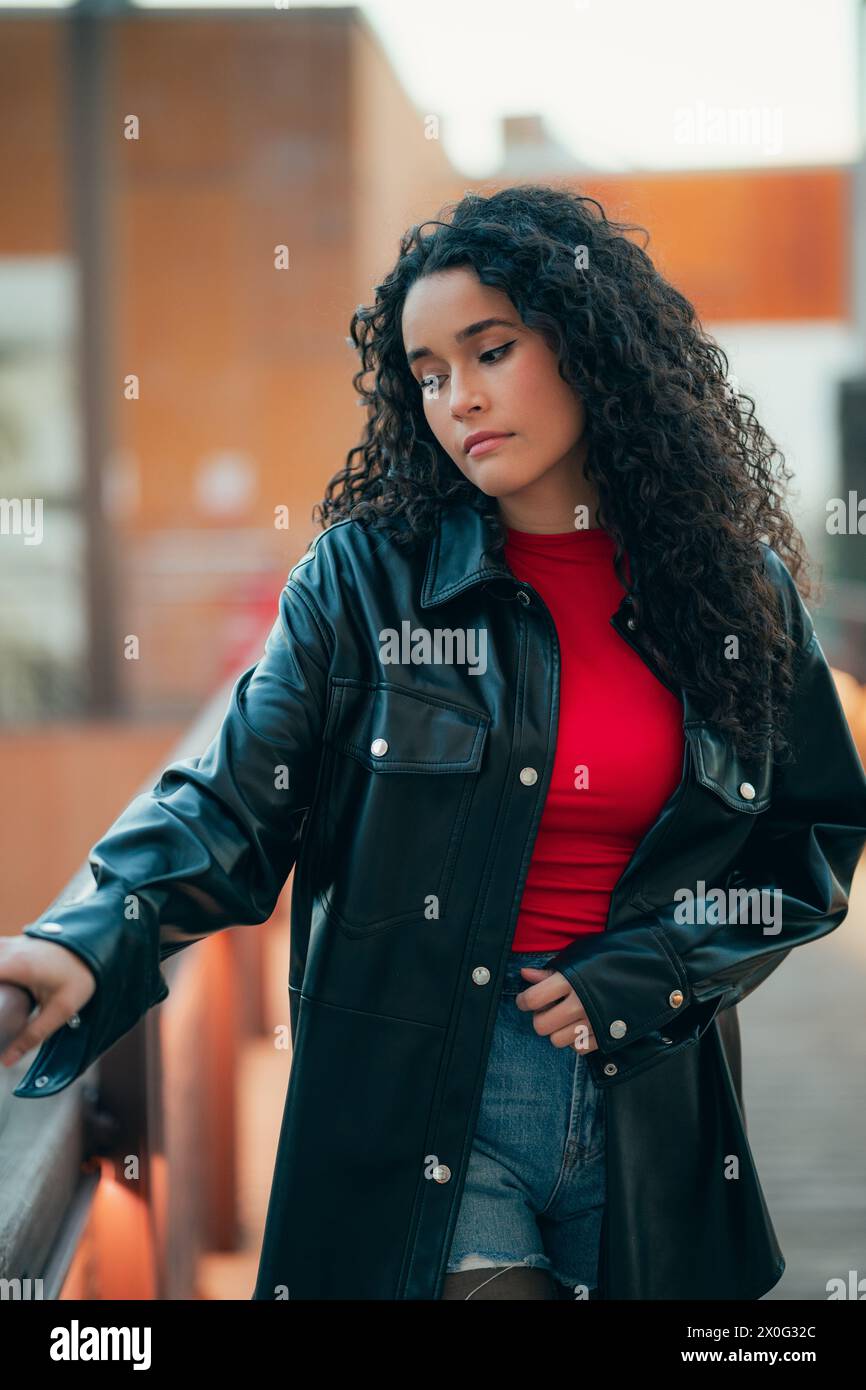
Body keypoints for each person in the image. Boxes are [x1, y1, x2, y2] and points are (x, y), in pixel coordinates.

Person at [3, 184, 866, 1302]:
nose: (456, 398)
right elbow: (232, 800)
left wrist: (659, 967)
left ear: (588, 343)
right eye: (426, 373)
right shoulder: (363, 585)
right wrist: (85, 937)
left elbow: (806, 834)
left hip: (652, 1095)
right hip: (428, 1094)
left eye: (488, 351)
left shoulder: (729, 594)